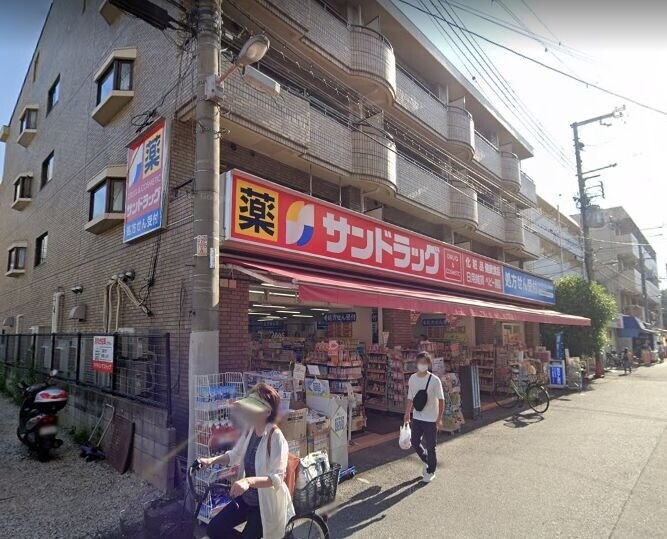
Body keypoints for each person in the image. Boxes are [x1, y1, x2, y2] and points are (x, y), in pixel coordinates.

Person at [199, 383, 295, 539]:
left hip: (264, 505)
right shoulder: (250, 430)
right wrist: (210, 461)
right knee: (214, 529)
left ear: (267, 412)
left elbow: (277, 478)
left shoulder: (276, 437)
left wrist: (248, 481)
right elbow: (234, 454)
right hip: (246, 499)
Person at [403, 351, 445, 483]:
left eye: (425, 363)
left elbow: (441, 400)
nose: (422, 365)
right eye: (420, 362)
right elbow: (410, 397)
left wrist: (439, 419)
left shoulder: (435, 380)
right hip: (417, 417)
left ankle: (431, 471)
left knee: (431, 446)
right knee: (414, 441)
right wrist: (407, 413)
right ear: (416, 363)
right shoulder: (412, 379)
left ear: (429, 364)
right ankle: (427, 460)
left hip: (431, 419)